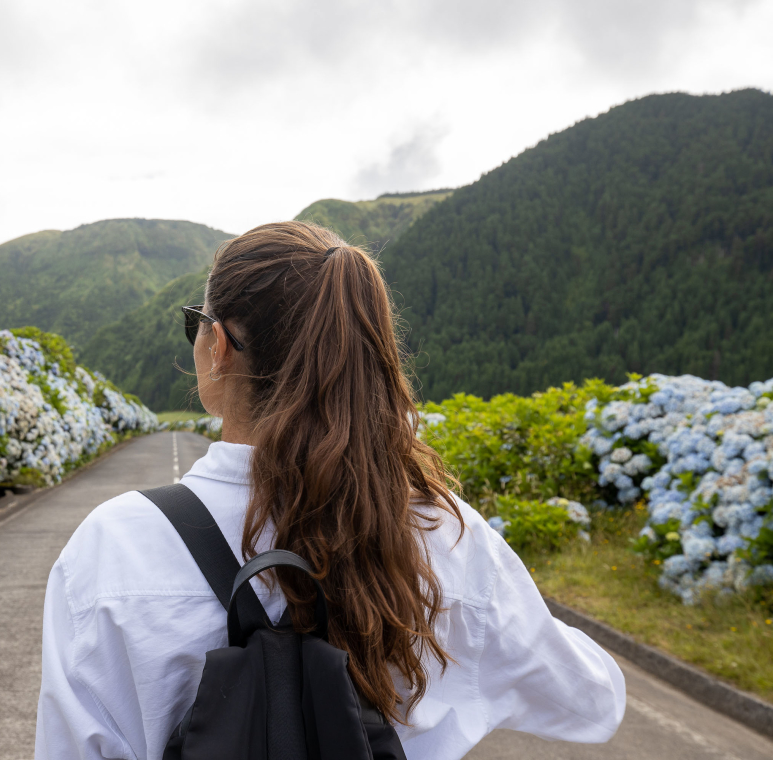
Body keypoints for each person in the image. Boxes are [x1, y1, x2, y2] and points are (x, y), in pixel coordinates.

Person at [35, 221, 625, 759]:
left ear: (217, 347)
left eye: (196, 323)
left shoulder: (114, 547)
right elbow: (595, 701)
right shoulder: (446, 535)